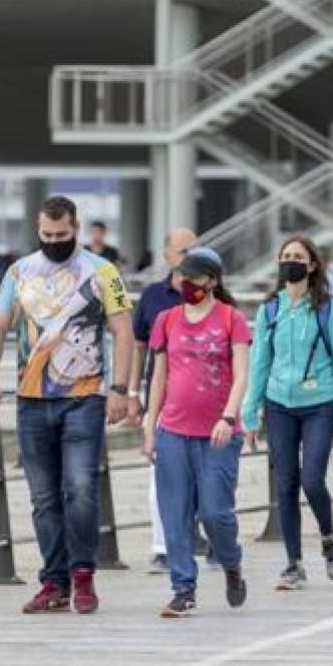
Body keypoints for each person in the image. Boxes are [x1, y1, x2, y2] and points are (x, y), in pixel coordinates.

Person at [0, 195, 134, 615]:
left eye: (61, 235)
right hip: (31, 399)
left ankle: (83, 574)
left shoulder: (103, 272)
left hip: (84, 397)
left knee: (80, 488)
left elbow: (122, 331)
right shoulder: (19, 271)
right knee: (43, 496)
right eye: (46, 235)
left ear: (76, 229)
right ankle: (54, 580)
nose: (53, 242)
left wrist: (121, 388)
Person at [242, 235, 333, 591]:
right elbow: (260, 363)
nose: (290, 261)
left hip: (319, 405)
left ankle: (327, 536)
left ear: (311, 265)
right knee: (286, 485)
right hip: (278, 406)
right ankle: (293, 564)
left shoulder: (326, 310)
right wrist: (250, 413)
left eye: (297, 256)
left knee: (311, 480)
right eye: (285, 256)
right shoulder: (269, 311)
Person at [142, 247, 250, 617]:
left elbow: (241, 375)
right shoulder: (167, 320)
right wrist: (149, 425)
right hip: (173, 429)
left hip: (219, 433)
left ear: (212, 280)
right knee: (174, 513)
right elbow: (158, 377)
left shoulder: (231, 319)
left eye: (193, 277)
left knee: (215, 512)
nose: (185, 283)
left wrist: (229, 417)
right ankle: (182, 588)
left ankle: (231, 562)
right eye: (180, 276)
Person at [126, 226, 198, 574]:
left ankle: (202, 537)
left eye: (193, 251)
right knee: (161, 473)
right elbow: (139, 346)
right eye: (181, 251)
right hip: (162, 395)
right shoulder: (153, 296)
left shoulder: (211, 295)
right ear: (167, 254)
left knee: (203, 474)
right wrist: (131, 392)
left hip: (204, 398)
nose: (187, 258)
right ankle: (162, 545)